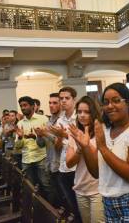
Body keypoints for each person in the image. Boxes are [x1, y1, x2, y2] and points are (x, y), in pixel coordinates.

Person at [73, 83, 129, 222]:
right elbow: (96, 173)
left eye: (116, 101)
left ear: (128, 103)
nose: (110, 106)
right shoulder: (105, 130)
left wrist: (103, 148)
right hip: (109, 201)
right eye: (105, 102)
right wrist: (85, 147)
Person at [66, 96, 105, 223]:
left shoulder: (102, 130)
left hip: (98, 188)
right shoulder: (75, 133)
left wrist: (86, 145)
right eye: (79, 112)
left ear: (94, 113)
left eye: (87, 112)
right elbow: (69, 163)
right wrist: (80, 149)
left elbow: (102, 158)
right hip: (81, 186)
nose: (82, 115)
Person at [49, 87, 81, 222]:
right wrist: (60, 137)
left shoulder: (79, 117)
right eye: (61, 98)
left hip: (77, 166)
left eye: (66, 98)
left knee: (81, 202)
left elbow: (82, 143)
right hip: (63, 166)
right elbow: (57, 146)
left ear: (74, 100)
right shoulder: (60, 120)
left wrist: (64, 136)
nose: (63, 101)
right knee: (71, 202)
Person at [14, 96, 52, 201]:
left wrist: (37, 136)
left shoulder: (43, 119)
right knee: (29, 187)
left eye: (25, 105)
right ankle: (35, 211)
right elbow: (17, 146)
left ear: (32, 106)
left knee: (46, 185)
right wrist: (20, 137)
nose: (23, 108)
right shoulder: (20, 123)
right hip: (26, 159)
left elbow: (48, 142)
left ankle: (52, 211)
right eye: (21, 106)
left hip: (41, 157)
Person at [35, 93, 63, 207]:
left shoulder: (62, 121)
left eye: (55, 103)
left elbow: (59, 144)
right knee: (55, 194)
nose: (51, 105)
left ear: (61, 104)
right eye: (50, 103)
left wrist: (45, 133)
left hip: (61, 165)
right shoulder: (49, 121)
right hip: (50, 163)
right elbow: (41, 145)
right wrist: (39, 136)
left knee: (63, 196)